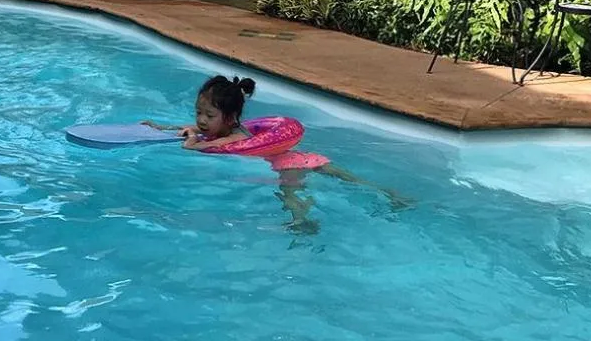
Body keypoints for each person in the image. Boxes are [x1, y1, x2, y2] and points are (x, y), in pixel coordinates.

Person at [144, 74, 411, 233]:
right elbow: (191, 129)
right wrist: (162, 127)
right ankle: (389, 194)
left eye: (209, 115)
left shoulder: (236, 137)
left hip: (285, 164)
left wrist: (190, 137)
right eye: (198, 113)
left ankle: (302, 221)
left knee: (289, 195)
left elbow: (193, 147)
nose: (201, 120)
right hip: (301, 154)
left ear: (230, 117)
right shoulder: (230, 128)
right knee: (346, 177)